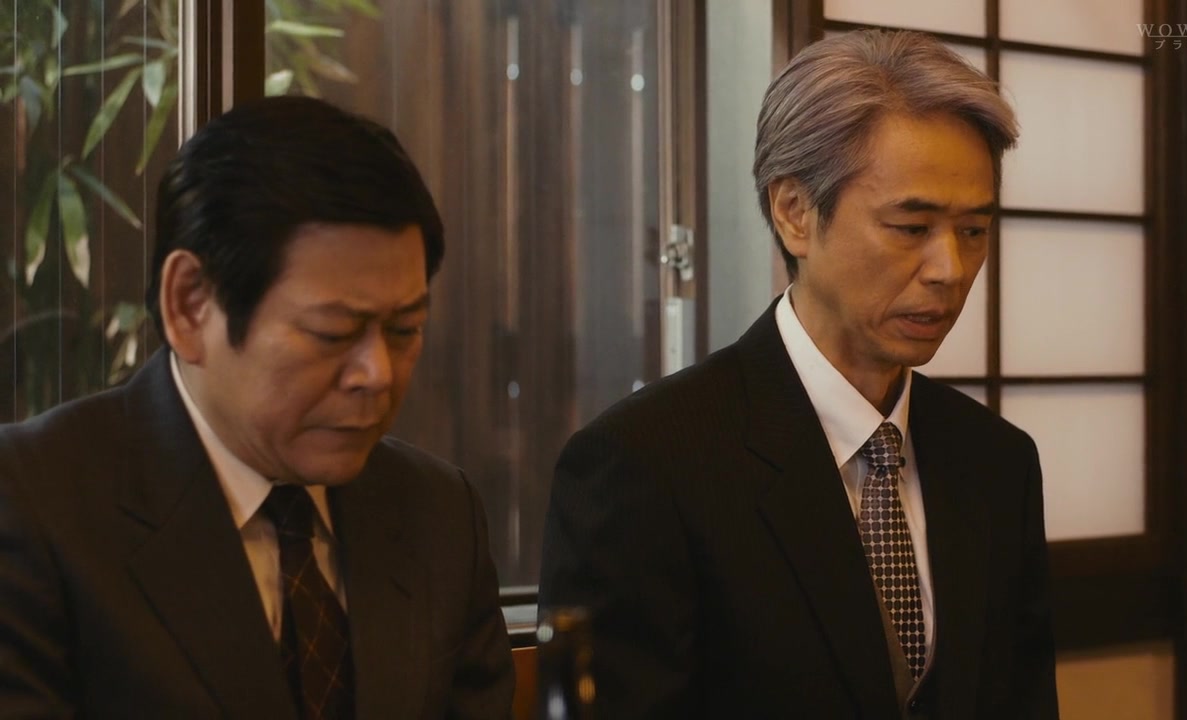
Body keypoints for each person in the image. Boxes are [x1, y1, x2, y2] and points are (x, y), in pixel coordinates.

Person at [539, 29, 1058, 719]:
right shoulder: (645, 464)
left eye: (974, 231)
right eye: (911, 228)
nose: (950, 269)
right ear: (795, 214)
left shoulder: (996, 462)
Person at [0, 96, 514, 719]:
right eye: (333, 333)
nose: (377, 374)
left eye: (404, 330)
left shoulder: (439, 515)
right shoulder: (33, 505)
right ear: (190, 305)